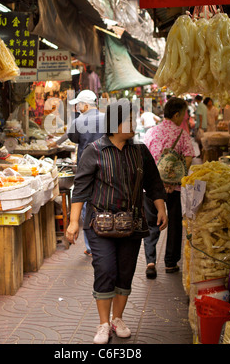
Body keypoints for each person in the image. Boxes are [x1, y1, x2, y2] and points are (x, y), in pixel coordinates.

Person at [65, 99, 167, 344]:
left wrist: (161, 207)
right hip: (100, 225)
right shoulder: (95, 150)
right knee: (105, 269)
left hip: (131, 223)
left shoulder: (140, 150)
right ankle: (103, 324)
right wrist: (73, 222)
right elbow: (80, 188)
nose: (134, 124)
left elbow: (153, 182)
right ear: (115, 123)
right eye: (130, 119)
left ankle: (117, 319)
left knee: (125, 272)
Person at [48, 90, 105, 257]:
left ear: (86, 105)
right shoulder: (106, 118)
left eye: (79, 105)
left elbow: (72, 138)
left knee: (87, 202)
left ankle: (90, 245)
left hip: (86, 166)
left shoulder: (79, 120)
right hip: (105, 165)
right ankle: (106, 233)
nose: (78, 108)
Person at [143, 97, 194, 279]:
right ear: (177, 114)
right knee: (173, 223)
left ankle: (150, 261)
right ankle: (171, 263)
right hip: (174, 189)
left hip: (150, 187)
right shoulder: (181, 134)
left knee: (151, 223)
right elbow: (188, 158)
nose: (184, 119)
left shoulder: (150, 132)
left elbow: (144, 157)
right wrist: (175, 177)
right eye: (184, 115)